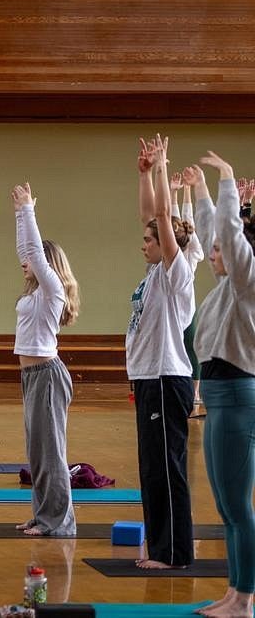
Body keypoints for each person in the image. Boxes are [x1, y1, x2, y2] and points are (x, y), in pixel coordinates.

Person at [185, 155, 255, 618]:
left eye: (220, 252)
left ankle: (245, 599)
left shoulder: (249, 284)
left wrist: (227, 181)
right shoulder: (227, 288)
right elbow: (219, 233)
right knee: (227, 507)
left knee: (237, 506)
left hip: (236, 398)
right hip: (217, 399)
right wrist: (201, 193)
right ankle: (234, 592)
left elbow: (229, 237)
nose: (213, 254)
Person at [126, 135, 196, 570]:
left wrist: (163, 166)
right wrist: (145, 174)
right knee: (152, 472)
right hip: (149, 379)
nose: (145, 242)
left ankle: (173, 554)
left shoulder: (177, 273)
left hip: (168, 379)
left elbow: (163, 217)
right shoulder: (154, 275)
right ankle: (159, 548)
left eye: (152, 240)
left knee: (167, 473)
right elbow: (149, 215)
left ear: (168, 243)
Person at [11, 182, 79, 537]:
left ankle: (59, 522)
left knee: (51, 452)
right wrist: (19, 215)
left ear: (49, 267)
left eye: (35, 259)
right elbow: (28, 249)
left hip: (48, 375)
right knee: (37, 452)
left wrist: (27, 210)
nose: (25, 261)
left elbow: (34, 253)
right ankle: (42, 514)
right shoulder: (37, 292)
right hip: (32, 376)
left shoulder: (51, 291)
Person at [169, 171, 205, 410]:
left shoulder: (190, 254)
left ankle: (195, 392)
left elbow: (186, 224)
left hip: (187, 309)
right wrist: (172, 192)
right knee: (174, 349)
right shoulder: (171, 255)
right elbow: (172, 223)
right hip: (171, 310)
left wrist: (186, 191)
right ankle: (175, 388)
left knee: (192, 348)